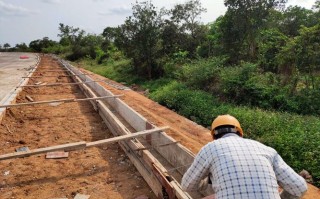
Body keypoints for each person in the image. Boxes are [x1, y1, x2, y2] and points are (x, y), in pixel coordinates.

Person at [181, 114, 308, 199]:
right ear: (240, 132)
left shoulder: (210, 148)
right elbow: (300, 188)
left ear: (214, 135)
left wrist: (208, 180)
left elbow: (187, 185)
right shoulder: (266, 149)